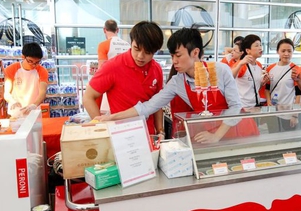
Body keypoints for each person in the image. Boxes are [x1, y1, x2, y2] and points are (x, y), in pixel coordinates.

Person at [99, 27, 256, 143]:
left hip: (240, 132)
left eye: (178, 55)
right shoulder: (177, 82)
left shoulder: (221, 70)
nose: (174, 61)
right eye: (172, 55)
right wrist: (112, 117)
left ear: (195, 53)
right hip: (212, 137)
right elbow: (148, 107)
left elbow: (235, 107)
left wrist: (216, 136)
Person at [83, 21, 165, 135]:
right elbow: (88, 97)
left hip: (148, 135)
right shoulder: (113, 66)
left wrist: (160, 131)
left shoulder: (156, 69)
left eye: (147, 52)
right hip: (121, 135)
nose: (140, 56)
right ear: (131, 43)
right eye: (136, 49)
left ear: (155, 51)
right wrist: (102, 127)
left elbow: (158, 104)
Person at [265, 38, 301, 131]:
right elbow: (267, 88)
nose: (286, 54)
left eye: (289, 51)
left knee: (288, 137)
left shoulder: (296, 69)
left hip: (288, 113)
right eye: (283, 51)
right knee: (273, 136)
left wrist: (295, 115)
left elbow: (299, 94)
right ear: (278, 51)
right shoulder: (270, 68)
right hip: (273, 111)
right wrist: (268, 101)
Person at [3, 42, 48, 116]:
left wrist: (34, 105)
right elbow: (6, 93)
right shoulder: (11, 69)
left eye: (37, 62)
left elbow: (42, 92)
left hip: (34, 111)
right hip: (16, 111)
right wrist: (12, 101)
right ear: (23, 57)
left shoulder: (42, 71)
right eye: (30, 61)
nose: (34, 65)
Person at [231, 34, 269, 108]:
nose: (260, 48)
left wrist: (262, 83)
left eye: (260, 45)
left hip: (256, 106)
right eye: (256, 46)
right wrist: (240, 64)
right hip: (243, 107)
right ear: (248, 50)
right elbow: (230, 77)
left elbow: (253, 88)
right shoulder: (241, 64)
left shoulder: (259, 65)